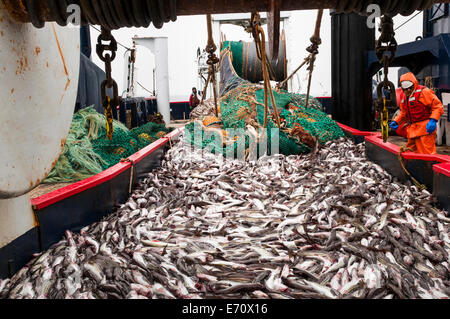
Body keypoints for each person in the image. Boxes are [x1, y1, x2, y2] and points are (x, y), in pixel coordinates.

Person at [389, 72, 444, 154]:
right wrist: (396, 121)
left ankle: (427, 167)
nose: (408, 90)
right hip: (412, 131)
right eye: (405, 88)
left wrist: (433, 120)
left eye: (410, 87)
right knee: (410, 153)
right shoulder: (404, 98)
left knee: (427, 154)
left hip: (425, 130)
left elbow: (437, 106)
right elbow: (403, 113)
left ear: (414, 84)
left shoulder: (424, 92)